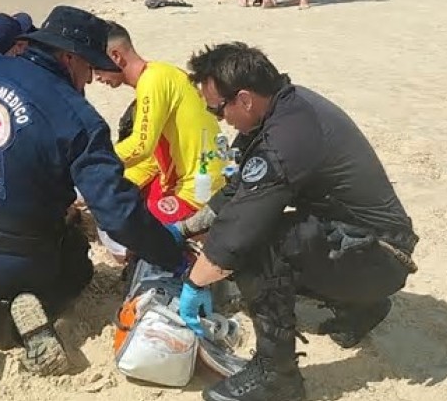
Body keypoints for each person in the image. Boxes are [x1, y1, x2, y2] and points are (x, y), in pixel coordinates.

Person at [0, 5, 188, 401]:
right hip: (26, 259)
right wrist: (172, 252)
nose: (90, 81)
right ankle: (30, 316)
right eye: (88, 70)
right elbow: (116, 210)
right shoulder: (81, 118)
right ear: (69, 58)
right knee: (77, 264)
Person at [168, 42, 418, 401]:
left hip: (381, 258)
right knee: (267, 231)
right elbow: (238, 189)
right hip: (371, 245)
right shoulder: (282, 108)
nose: (220, 120)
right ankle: (362, 306)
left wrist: (193, 287)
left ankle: (277, 376)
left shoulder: (288, 136)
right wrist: (183, 229)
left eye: (218, 110)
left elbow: (239, 230)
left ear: (244, 99)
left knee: (256, 247)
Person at [94, 21, 226, 227]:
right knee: (113, 197)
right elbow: (152, 157)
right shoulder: (161, 73)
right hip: (200, 176)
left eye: (95, 67)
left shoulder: (153, 81)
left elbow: (141, 146)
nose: (96, 78)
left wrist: (91, 165)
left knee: (119, 230)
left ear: (116, 56)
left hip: (199, 190)